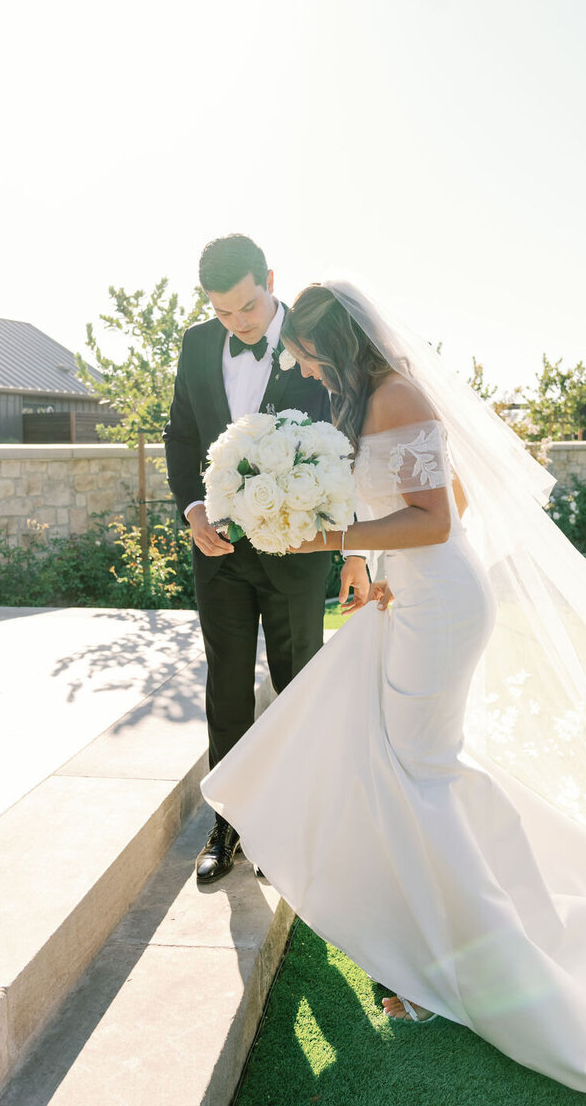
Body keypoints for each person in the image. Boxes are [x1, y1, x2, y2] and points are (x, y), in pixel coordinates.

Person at [202, 280, 586, 1099]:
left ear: (332, 341)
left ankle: (472, 964)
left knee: (420, 776)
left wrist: (332, 536)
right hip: (412, 595)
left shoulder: (396, 392)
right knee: (415, 769)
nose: (302, 369)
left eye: (305, 353)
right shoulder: (372, 395)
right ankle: (455, 932)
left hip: (440, 604)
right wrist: (366, 560)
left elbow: (438, 519)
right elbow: (447, 497)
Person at [163, 240, 369, 882]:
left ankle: (297, 826)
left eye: (247, 306)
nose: (238, 323)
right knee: (226, 688)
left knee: (296, 685)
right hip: (218, 551)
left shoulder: (315, 343)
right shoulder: (197, 346)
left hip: (297, 553)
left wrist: (353, 547)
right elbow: (181, 435)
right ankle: (227, 827)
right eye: (223, 314)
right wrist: (192, 511)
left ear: (271, 282)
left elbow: (351, 438)